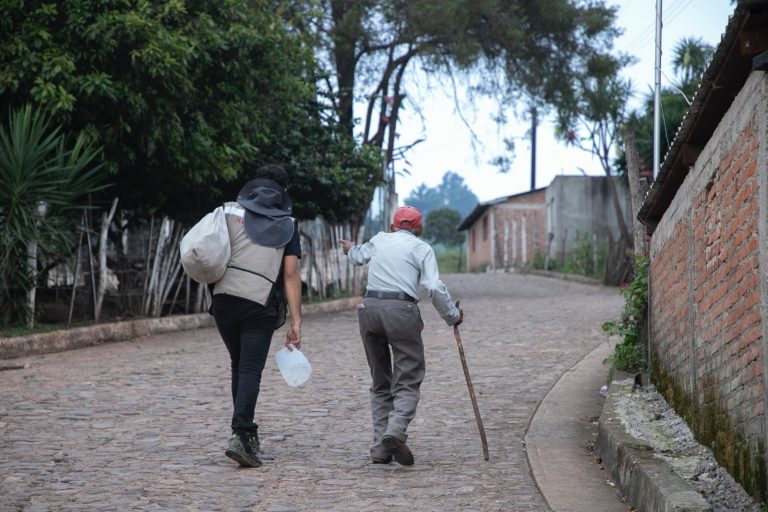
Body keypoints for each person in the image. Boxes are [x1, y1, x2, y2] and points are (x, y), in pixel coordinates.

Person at [340, 206, 463, 466]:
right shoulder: (422, 248)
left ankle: (380, 448)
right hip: (402, 311)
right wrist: (452, 315)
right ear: (419, 229)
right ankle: (395, 430)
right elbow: (432, 286)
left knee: (380, 380)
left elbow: (356, 256)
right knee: (407, 378)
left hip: (369, 310)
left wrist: (350, 248)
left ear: (393, 226)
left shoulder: (380, 239)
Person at [210, 164, 302, 468]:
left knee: (239, 365)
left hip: (223, 300)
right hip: (258, 305)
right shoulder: (288, 225)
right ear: (284, 191)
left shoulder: (227, 212)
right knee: (250, 368)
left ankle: (245, 433)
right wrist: (296, 321)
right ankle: (241, 434)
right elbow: (290, 274)